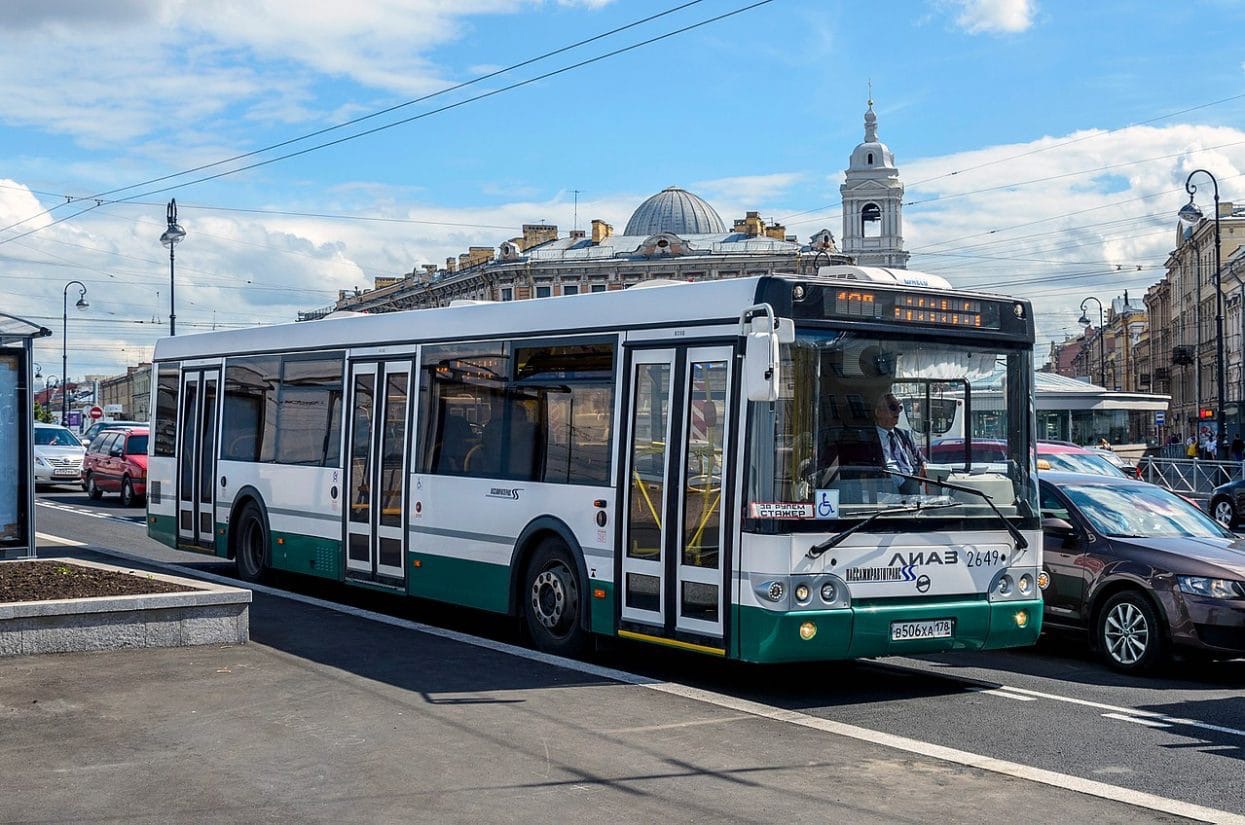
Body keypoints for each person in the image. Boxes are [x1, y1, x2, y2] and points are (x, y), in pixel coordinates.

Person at [873, 393, 925, 495]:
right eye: (892, 407)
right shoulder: (869, 438)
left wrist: (924, 465)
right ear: (878, 412)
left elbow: (921, 459)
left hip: (911, 481)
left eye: (899, 408)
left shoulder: (904, 435)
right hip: (886, 485)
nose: (897, 412)